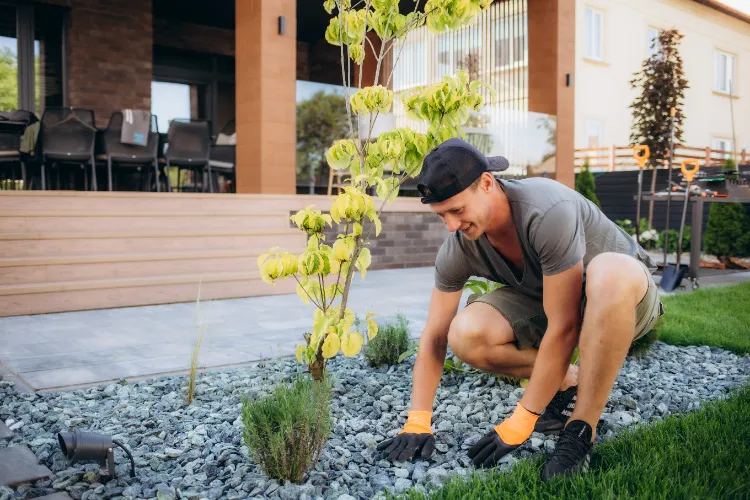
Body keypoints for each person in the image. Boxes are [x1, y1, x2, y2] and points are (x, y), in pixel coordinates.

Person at [375, 138, 664, 480]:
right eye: (442, 216)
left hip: (623, 296)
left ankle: (581, 429)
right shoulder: (459, 247)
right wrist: (418, 420)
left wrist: (522, 419)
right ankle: (570, 381)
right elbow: (435, 336)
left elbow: (565, 326)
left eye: (457, 210)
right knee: (466, 334)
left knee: (608, 274)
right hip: (550, 299)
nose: (451, 226)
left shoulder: (545, 211)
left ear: (486, 183)